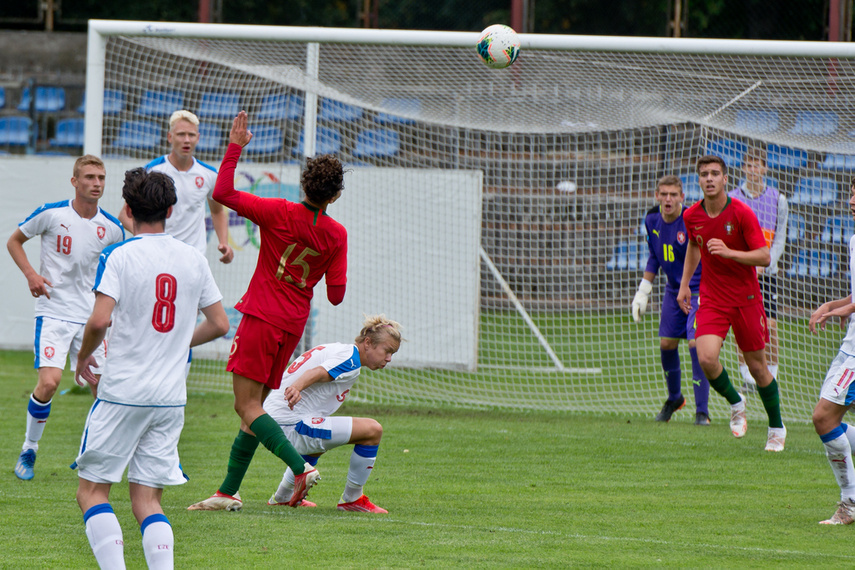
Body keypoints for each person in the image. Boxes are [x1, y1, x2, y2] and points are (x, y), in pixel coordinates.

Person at [189, 110, 348, 511]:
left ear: (304, 185)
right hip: (293, 325)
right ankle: (227, 492)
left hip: (261, 316)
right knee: (254, 410)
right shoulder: (337, 234)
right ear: (335, 196)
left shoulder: (278, 211)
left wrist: (235, 148)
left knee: (246, 405)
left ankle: (299, 469)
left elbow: (223, 194)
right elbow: (335, 296)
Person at [73, 167, 230, 569]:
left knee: (92, 491)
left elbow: (98, 321)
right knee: (147, 501)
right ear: (172, 209)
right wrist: (176, 343)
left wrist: (84, 355)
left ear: (127, 208)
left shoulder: (120, 255)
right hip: (169, 399)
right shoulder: (194, 257)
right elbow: (219, 324)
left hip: (122, 392)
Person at [7, 155, 125, 481]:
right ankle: (30, 448)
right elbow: (14, 241)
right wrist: (32, 274)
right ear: (75, 181)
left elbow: (126, 264)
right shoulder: (51, 213)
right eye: (89, 177)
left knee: (102, 388)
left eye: (100, 177)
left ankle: (93, 453)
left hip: (91, 319)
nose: (96, 183)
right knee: (49, 382)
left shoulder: (113, 229)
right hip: (54, 311)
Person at [677, 155, 786, 452]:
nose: (709, 179)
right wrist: (686, 284)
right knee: (706, 358)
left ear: (725, 179)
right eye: (703, 174)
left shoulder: (742, 212)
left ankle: (776, 426)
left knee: (758, 367)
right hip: (712, 297)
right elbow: (695, 246)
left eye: (714, 174)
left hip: (747, 298)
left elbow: (764, 256)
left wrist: (729, 252)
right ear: (698, 180)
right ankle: (737, 402)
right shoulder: (691, 216)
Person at [264, 315, 402, 513]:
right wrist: (296, 387)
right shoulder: (350, 359)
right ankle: (352, 499)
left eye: (392, 353)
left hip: (273, 422)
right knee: (373, 430)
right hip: (287, 425)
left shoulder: (340, 349)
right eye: (387, 351)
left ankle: (283, 496)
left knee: (321, 435)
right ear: (368, 343)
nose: (388, 359)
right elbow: (319, 372)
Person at [632, 175, 710, 425]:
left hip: (698, 290)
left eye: (673, 195)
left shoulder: (690, 220)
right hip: (672, 290)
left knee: (695, 346)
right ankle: (675, 398)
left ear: (682, 198)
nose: (668, 199)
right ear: (657, 195)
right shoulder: (651, 219)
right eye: (663, 194)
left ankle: (702, 412)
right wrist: (644, 290)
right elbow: (655, 256)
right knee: (666, 344)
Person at [119, 109, 234, 264]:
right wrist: (150, 238)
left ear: (198, 138)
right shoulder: (152, 171)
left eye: (191, 135)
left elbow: (218, 211)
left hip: (195, 258)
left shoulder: (210, 174)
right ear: (170, 137)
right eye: (181, 134)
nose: (187, 140)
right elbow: (124, 216)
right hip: (159, 257)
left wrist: (224, 242)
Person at [809, 179, 855, 524]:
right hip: (851, 345)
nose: (852, 200)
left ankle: (850, 504)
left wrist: (842, 311)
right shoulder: (854, 240)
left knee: (824, 417)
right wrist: (832, 304)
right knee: (828, 418)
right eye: (852, 193)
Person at [728, 147, 788, 391]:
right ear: (743, 168)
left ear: (765, 168)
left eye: (757, 164)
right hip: (740, 273)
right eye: (749, 165)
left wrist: (765, 263)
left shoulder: (778, 199)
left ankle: (770, 375)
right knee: (741, 325)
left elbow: (780, 237)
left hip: (767, 273)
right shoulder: (732, 198)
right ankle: (748, 379)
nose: (753, 169)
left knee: (769, 326)